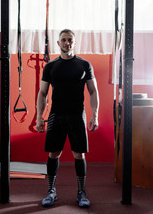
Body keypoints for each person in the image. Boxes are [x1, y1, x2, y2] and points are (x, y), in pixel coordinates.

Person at [36, 29, 99, 208]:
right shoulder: (50, 67)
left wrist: (95, 115)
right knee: (54, 153)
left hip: (77, 115)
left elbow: (93, 91)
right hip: (56, 114)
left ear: (75, 42)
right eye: (63, 40)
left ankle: (81, 192)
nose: (67, 43)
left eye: (70, 40)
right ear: (58, 43)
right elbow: (42, 92)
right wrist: (39, 117)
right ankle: (51, 191)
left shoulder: (84, 65)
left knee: (79, 154)